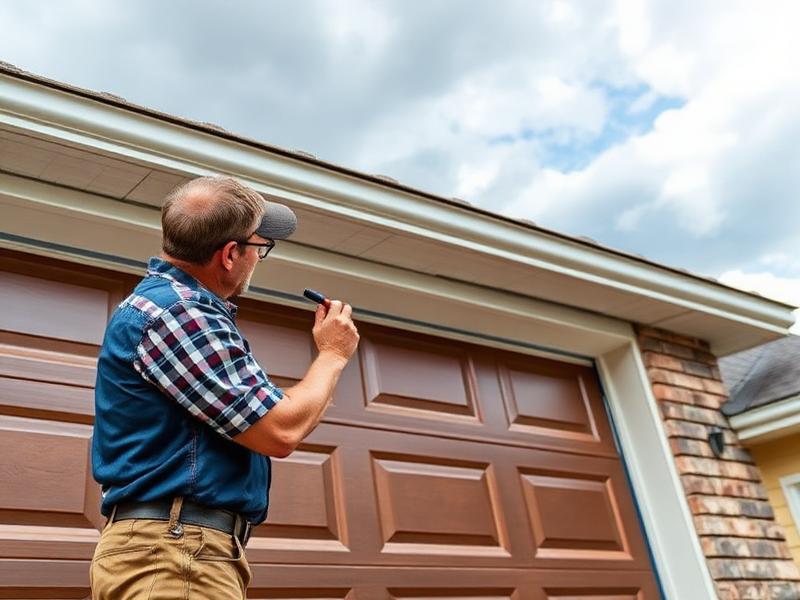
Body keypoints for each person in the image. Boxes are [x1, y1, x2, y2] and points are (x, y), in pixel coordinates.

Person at [90, 176, 359, 599]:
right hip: (176, 552)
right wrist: (334, 354)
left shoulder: (167, 309)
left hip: (174, 549)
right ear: (231, 254)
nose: (258, 258)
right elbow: (280, 430)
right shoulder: (181, 313)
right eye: (259, 247)